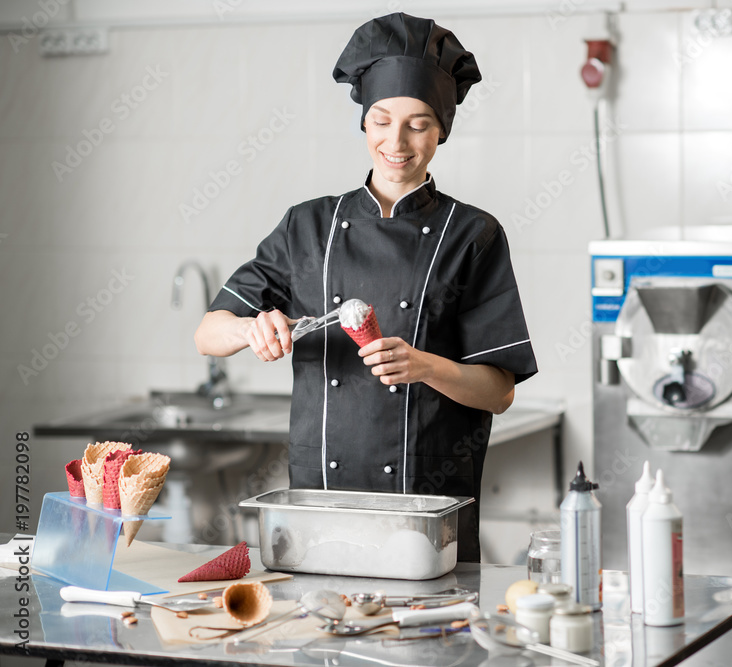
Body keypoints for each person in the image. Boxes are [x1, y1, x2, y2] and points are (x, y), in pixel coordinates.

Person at [194, 13, 537, 562]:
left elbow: (499, 392)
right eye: (381, 121)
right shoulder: (306, 226)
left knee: (425, 644)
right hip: (319, 503)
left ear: (442, 129)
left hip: (426, 510)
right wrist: (248, 328)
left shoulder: (473, 234)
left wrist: (423, 365)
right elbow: (208, 335)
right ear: (363, 123)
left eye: (418, 123)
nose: (396, 141)